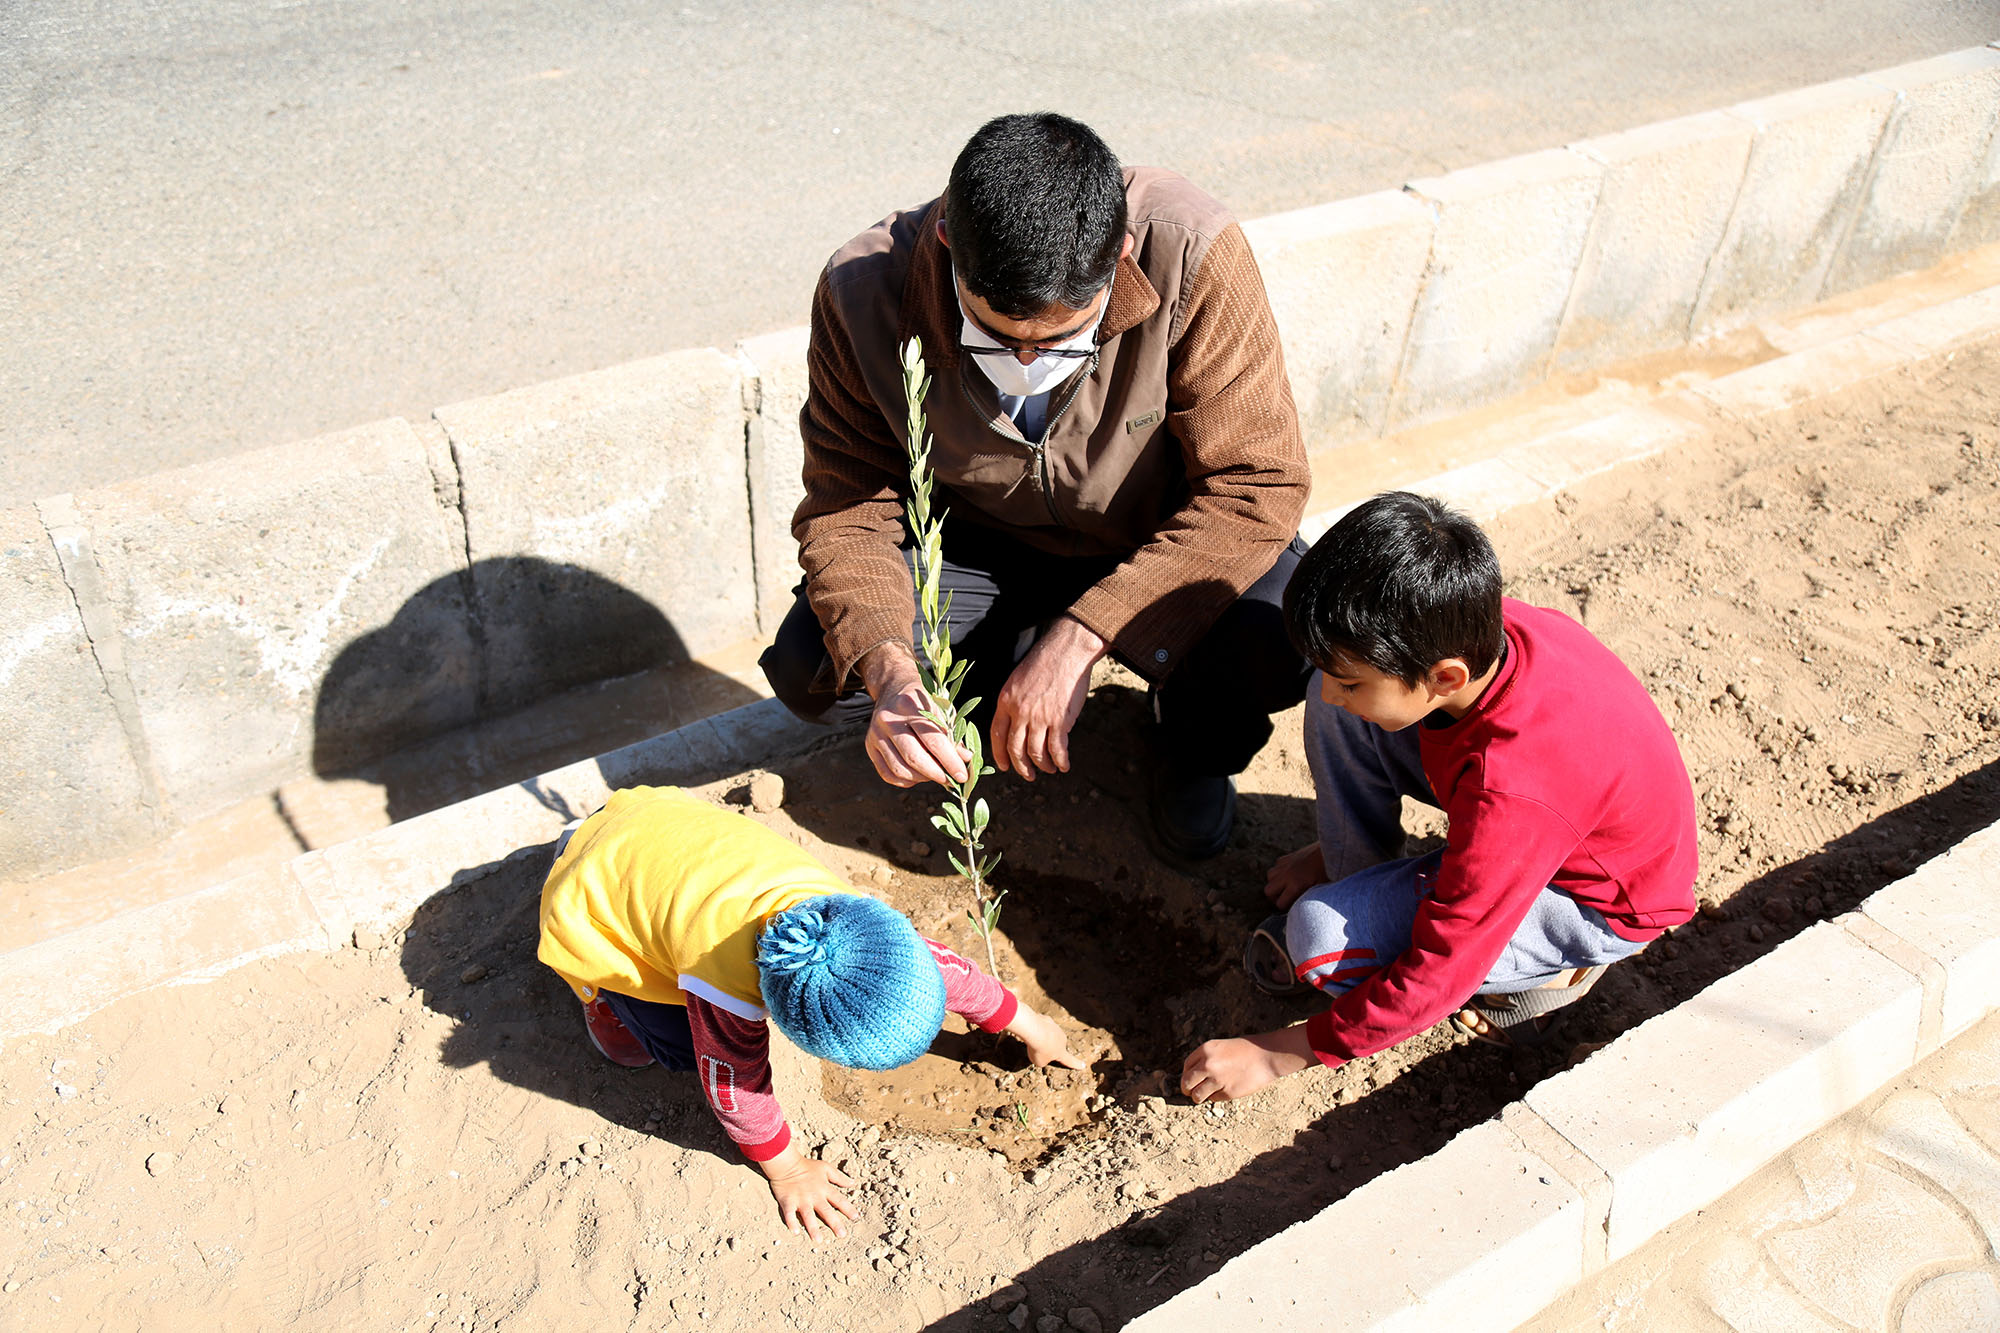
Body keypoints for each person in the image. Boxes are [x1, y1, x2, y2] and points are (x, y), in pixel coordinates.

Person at [759, 112, 1311, 860]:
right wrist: (892, 671)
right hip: (985, 544)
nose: (1025, 361)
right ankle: (988, 685)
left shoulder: (1191, 253)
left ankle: (1190, 741)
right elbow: (846, 507)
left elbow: (1256, 486)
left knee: (1281, 631)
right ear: (950, 246)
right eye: (996, 335)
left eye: (1055, 339)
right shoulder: (866, 293)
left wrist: (1083, 635)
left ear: (1117, 256)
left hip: (1159, 535)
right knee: (813, 660)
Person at [1180, 492, 1698, 1102]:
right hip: (1541, 826)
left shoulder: (1514, 786)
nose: (1334, 688)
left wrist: (1276, 1054)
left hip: (1593, 899)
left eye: (1354, 679)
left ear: (1446, 677)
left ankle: (1543, 978)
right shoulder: (1472, 631)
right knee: (1337, 710)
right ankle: (1367, 881)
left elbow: (1441, 966)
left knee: (1318, 941)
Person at [538, 785, 1085, 1237]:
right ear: (784, 1023)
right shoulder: (725, 991)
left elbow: (944, 970)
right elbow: (734, 1085)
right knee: (678, 1048)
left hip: (654, 822)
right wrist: (788, 1169)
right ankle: (599, 996)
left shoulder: (859, 930)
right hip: (584, 890)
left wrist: (1032, 1026)